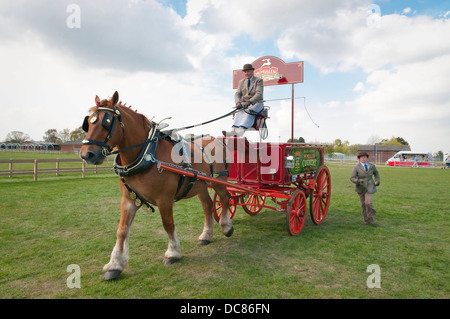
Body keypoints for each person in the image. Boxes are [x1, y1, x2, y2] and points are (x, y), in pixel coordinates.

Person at [223, 63, 264, 136]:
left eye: (248, 71)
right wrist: (238, 102)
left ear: (252, 71)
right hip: (244, 104)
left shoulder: (258, 80)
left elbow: (259, 94)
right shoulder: (241, 82)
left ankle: (241, 130)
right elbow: (237, 93)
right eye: (245, 72)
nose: (246, 73)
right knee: (238, 111)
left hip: (257, 103)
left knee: (249, 110)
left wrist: (250, 101)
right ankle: (233, 130)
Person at [350, 151, 380, 225]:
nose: (363, 158)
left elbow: (376, 173)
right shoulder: (356, 167)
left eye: (365, 157)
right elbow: (352, 178)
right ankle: (365, 219)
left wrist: (377, 180)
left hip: (370, 186)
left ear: (367, 158)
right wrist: (358, 181)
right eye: (361, 157)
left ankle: (370, 217)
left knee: (368, 202)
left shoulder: (372, 166)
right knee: (363, 204)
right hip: (360, 187)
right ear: (359, 159)